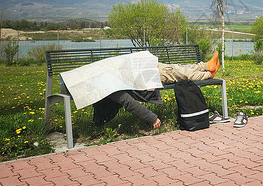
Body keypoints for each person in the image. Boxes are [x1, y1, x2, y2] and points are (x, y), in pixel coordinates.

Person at [91, 51, 220, 129]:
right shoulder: (108, 85)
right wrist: (151, 118)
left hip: (141, 72)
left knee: (175, 69)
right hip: (145, 79)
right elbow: (127, 101)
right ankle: (208, 72)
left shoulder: (103, 79)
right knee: (174, 72)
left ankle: (206, 66)